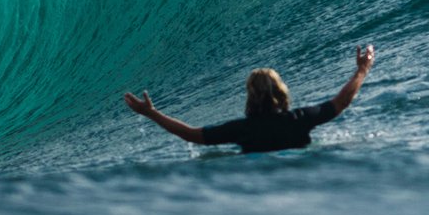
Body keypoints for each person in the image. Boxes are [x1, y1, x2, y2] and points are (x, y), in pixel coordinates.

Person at [124, 44, 375, 153]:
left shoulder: (240, 130)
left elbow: (192, 135)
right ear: (281, 92)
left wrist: (151, 113)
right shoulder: (299, 119)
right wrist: (362, 70)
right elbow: (341, 102)